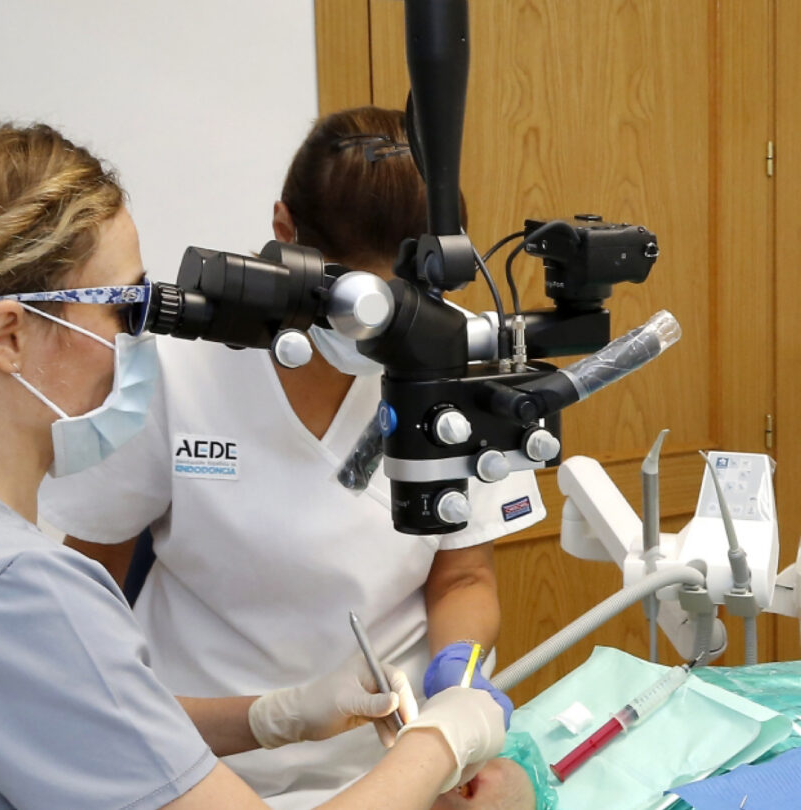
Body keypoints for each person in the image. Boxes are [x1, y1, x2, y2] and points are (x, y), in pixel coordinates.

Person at [0, 118, 514, 809]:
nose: (145, 339)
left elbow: (92, 727)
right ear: (9, 337)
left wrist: (273, 717)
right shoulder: (18, 597)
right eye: (127, 310)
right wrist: (440, 743)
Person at [39, 106, 545, 807]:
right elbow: (88, 591)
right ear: (284, 234)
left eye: (412, 303)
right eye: (363, 307)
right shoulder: (181, 369)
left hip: (399, 766)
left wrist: (455, 682)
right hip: (201, 770)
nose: (391, 337)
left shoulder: (458, 354)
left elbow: (462, 576)